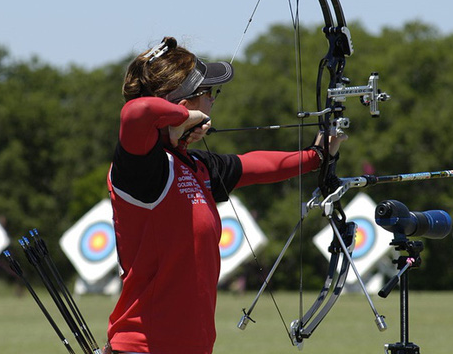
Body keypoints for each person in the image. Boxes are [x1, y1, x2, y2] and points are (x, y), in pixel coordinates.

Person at [105, 37, 345, 354]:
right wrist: (182, 118)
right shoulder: (142, 170)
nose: (212, 102)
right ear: (183, 102)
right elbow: (135, 113)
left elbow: (253, 165)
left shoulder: (194, 166)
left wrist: (317, 155)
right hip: (143, 346)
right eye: (207, 94)